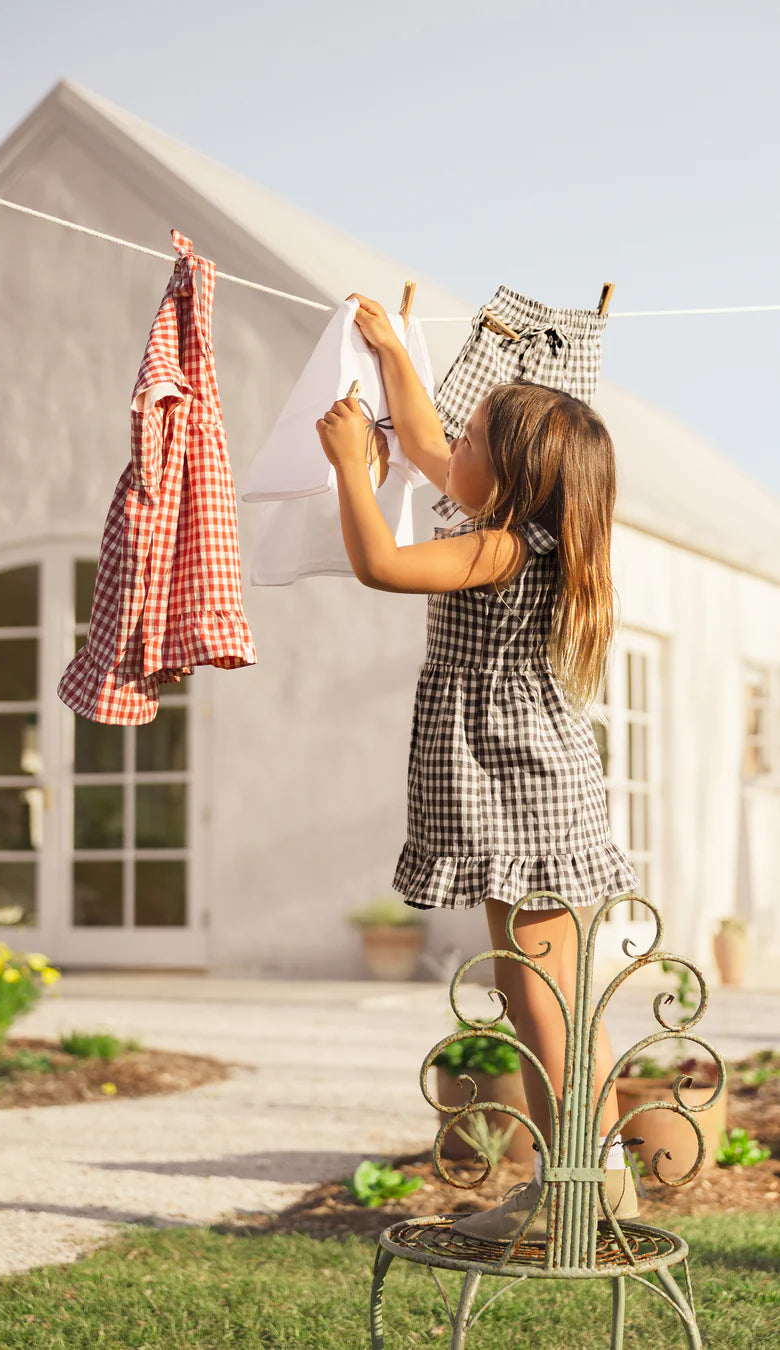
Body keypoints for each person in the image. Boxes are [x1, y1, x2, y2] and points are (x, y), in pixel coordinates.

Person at [315, 293, 643, 1241]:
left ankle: (576, 1184)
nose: (446, 446)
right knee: (541, 986)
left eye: (472, 440)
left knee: (541, 991)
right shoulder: (507, 516)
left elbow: (380, 564)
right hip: (521, 773)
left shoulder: (501, 546)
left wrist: (348, 469)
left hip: (519, 779)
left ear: (505, 474)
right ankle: (590, 1175)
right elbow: (422, 438)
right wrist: (387, 351)